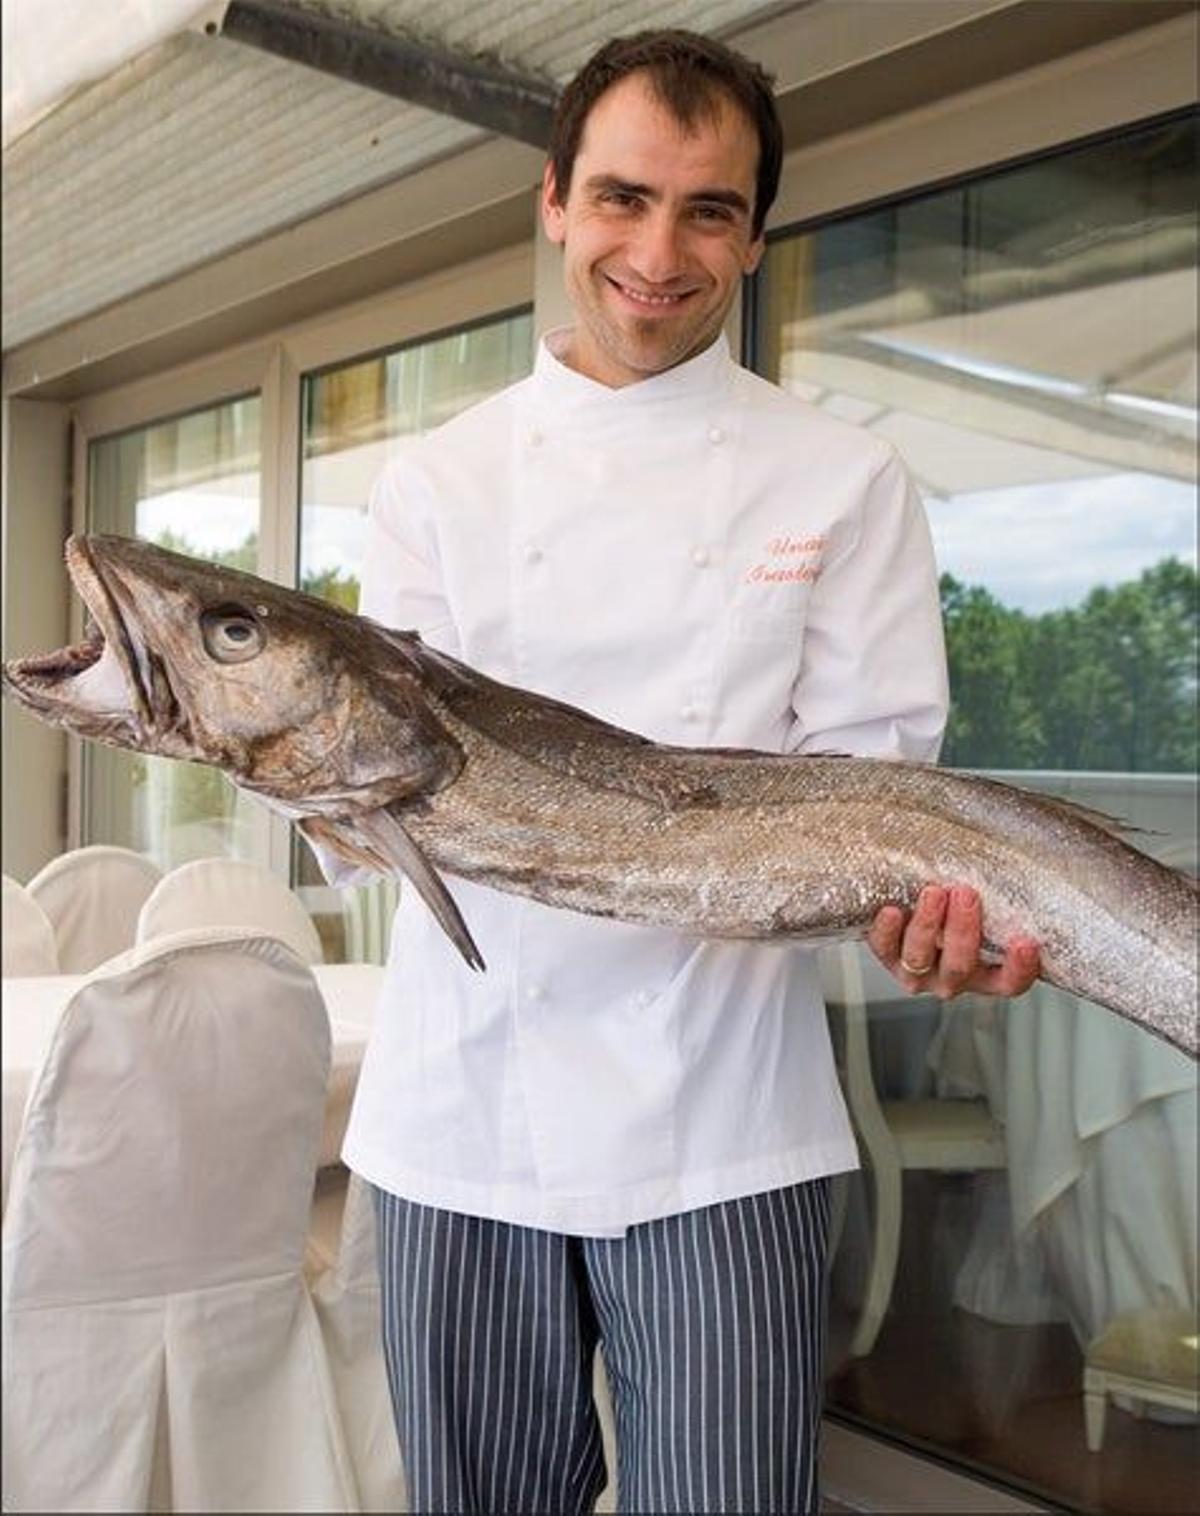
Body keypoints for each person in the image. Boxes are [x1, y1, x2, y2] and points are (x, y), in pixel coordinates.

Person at [330, 28, 1040, 1515]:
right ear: (553, 203)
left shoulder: (843, 480)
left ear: (756, 236)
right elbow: (371, 811)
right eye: (624, 199)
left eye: (708, 210)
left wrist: (920, 917)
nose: (659, 252)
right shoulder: (436, 486)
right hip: (467, 1116)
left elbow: (875, 808)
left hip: (726, 1125)